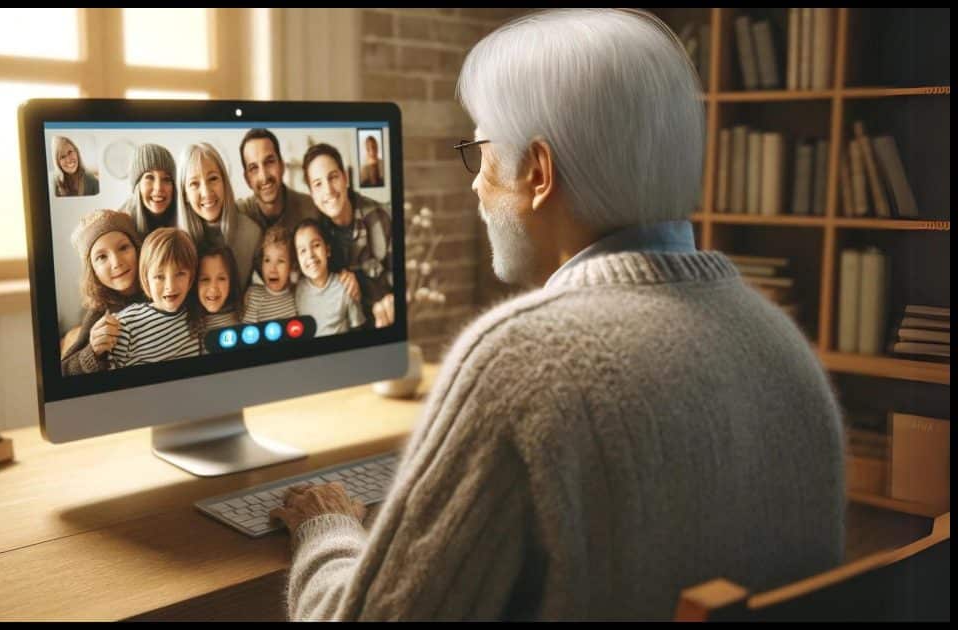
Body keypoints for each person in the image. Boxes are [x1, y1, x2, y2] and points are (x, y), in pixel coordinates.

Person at [271, 8, 844, 621]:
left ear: (538, 174)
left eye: (481, 154)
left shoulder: (519, 360)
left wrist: (327, 527)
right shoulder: (782, 341)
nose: (475, 187)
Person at [238, 128, 364, 306]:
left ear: (282, 165)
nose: (264, 175)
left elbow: (334, 258)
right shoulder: (240, 215)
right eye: (253, 168)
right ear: (246, 178)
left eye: (270, 162)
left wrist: (346, 276)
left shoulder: (311, 209)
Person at [302, 142, 395, 329]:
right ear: (312, 194)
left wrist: (394, 302)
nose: (328, 190)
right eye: (318, 184)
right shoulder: (315, 235)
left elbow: (405, 281)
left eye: (333, 177)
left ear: (345, 178)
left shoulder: (383, 218)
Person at [60, 209, 145, 376]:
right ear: (93, 271)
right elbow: (65, 370)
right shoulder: (100, 312)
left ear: (138, 248)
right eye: (101, 257)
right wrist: (93, 351)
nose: (116, 262)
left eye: (123, 248)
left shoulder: (163, 288)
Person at [109, 228, 201, 368]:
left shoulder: (195, 315)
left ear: (191, 277)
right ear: (146, 279)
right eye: (159, 277)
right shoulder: (126, 324)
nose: (170, 286)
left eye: (180, 273)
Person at [176, 142, 262, 289]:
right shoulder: (176, 240)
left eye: (213, 178)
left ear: (224, 183)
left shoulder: (251, 233)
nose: (206, 192)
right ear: (184, 194)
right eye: (194, 184)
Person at [293, 219, 364, 337]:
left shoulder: (346, 286)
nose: (310, 255)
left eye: (316, 245)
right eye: (302, 251)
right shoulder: (296, 290)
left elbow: (358, 327)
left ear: (327, 250)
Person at [119, 143, 178, 238]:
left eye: (166, 179)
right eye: (150, 177)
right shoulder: (120, 227)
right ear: (137, 185)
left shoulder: (184, 221)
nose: (158, 187)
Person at [242, 225, 298, 323]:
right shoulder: (255, 295)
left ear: (291, 266)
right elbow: (247, 332)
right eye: (267, 260)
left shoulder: (297, 294)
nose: (273, 269)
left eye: (280, 261)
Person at [197, 244, 242, 332]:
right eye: (205, 279)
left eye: (221, 279)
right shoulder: (188, 322)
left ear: (231, 281)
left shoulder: (242, 315)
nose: (213, 288)